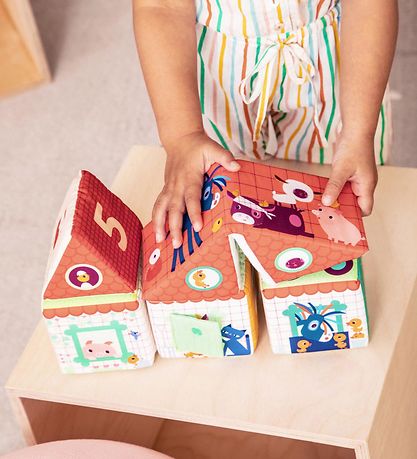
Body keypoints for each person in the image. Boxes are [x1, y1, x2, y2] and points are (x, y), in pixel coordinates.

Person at [133, 0, 398, 248]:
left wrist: (357, 131)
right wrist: (183, 135)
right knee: (220, 202)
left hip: (337, 62)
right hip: (219, 70)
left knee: (336, 196)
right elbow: (161, 6)